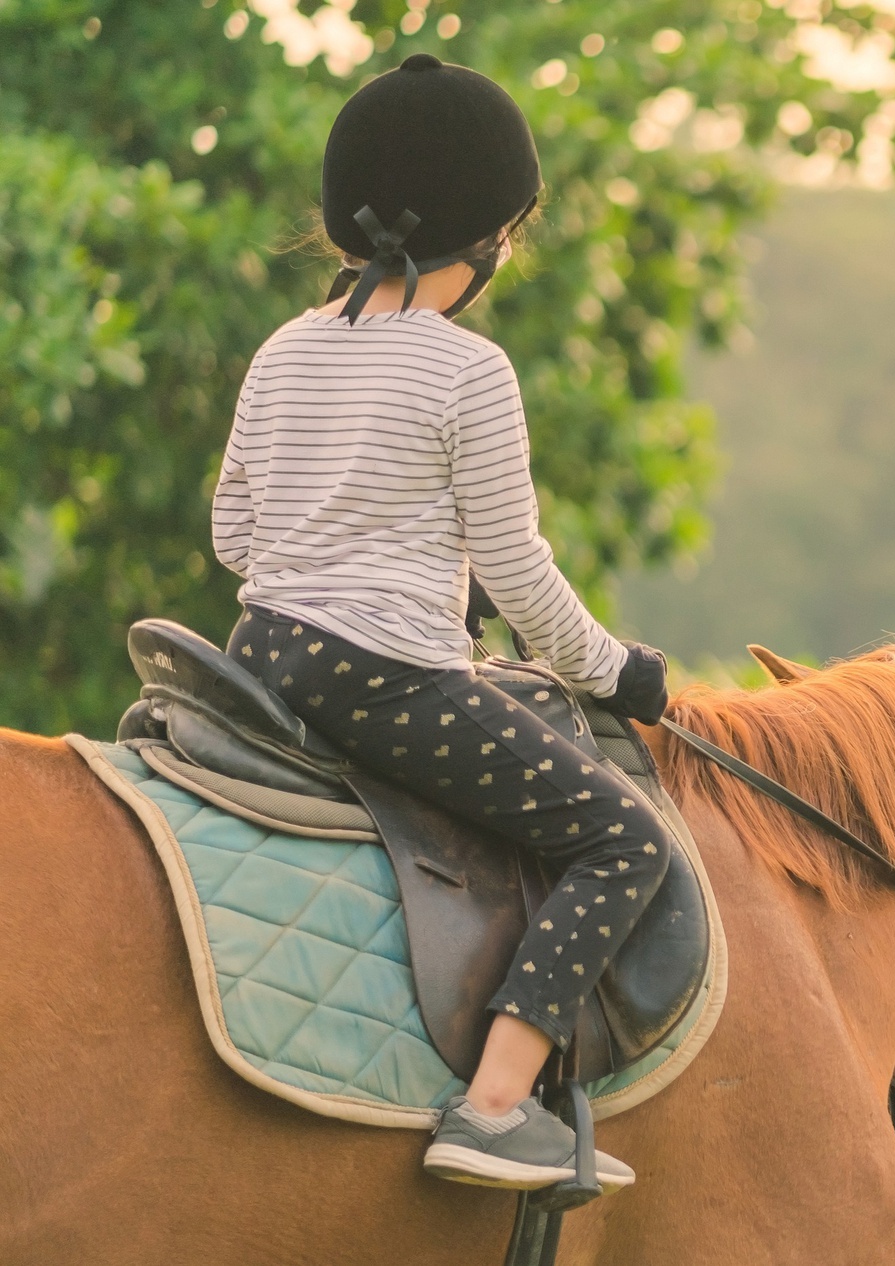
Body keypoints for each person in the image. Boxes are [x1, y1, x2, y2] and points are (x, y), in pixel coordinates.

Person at [212, 55, 673, 1193]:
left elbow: (233, 534)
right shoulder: (471, 370)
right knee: (625, 840)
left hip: (261, 654)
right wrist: (616, 672)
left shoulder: (285, 347)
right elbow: (519, 570)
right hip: (383, 676)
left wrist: (368, 560)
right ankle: (496, 1105)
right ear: (493, 235)